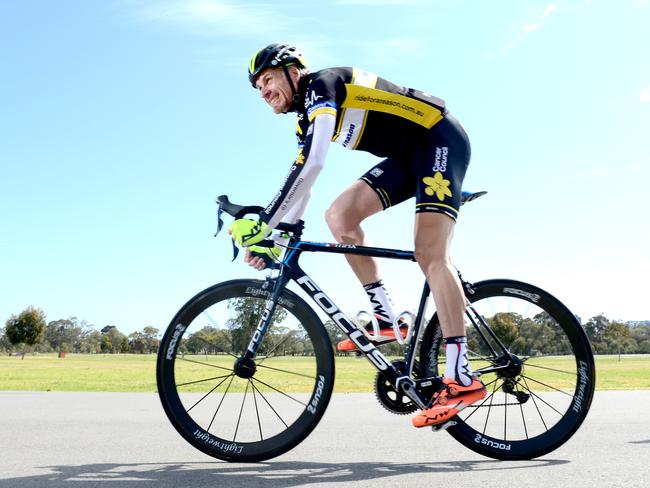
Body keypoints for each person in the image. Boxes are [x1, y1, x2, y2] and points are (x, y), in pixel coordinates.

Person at [229, 43, 486, 427]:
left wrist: (265, 223)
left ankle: (461, 377)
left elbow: (315, 164)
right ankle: (386, 317)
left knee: (430, 255)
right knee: (340, 217)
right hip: (409, 156)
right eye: (258, 87)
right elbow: (304, 183)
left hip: (439, 140)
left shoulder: (323, 85)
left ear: (293, 72)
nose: (263, 91)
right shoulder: (307, 119)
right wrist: (278, 237)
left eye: (267, 79)